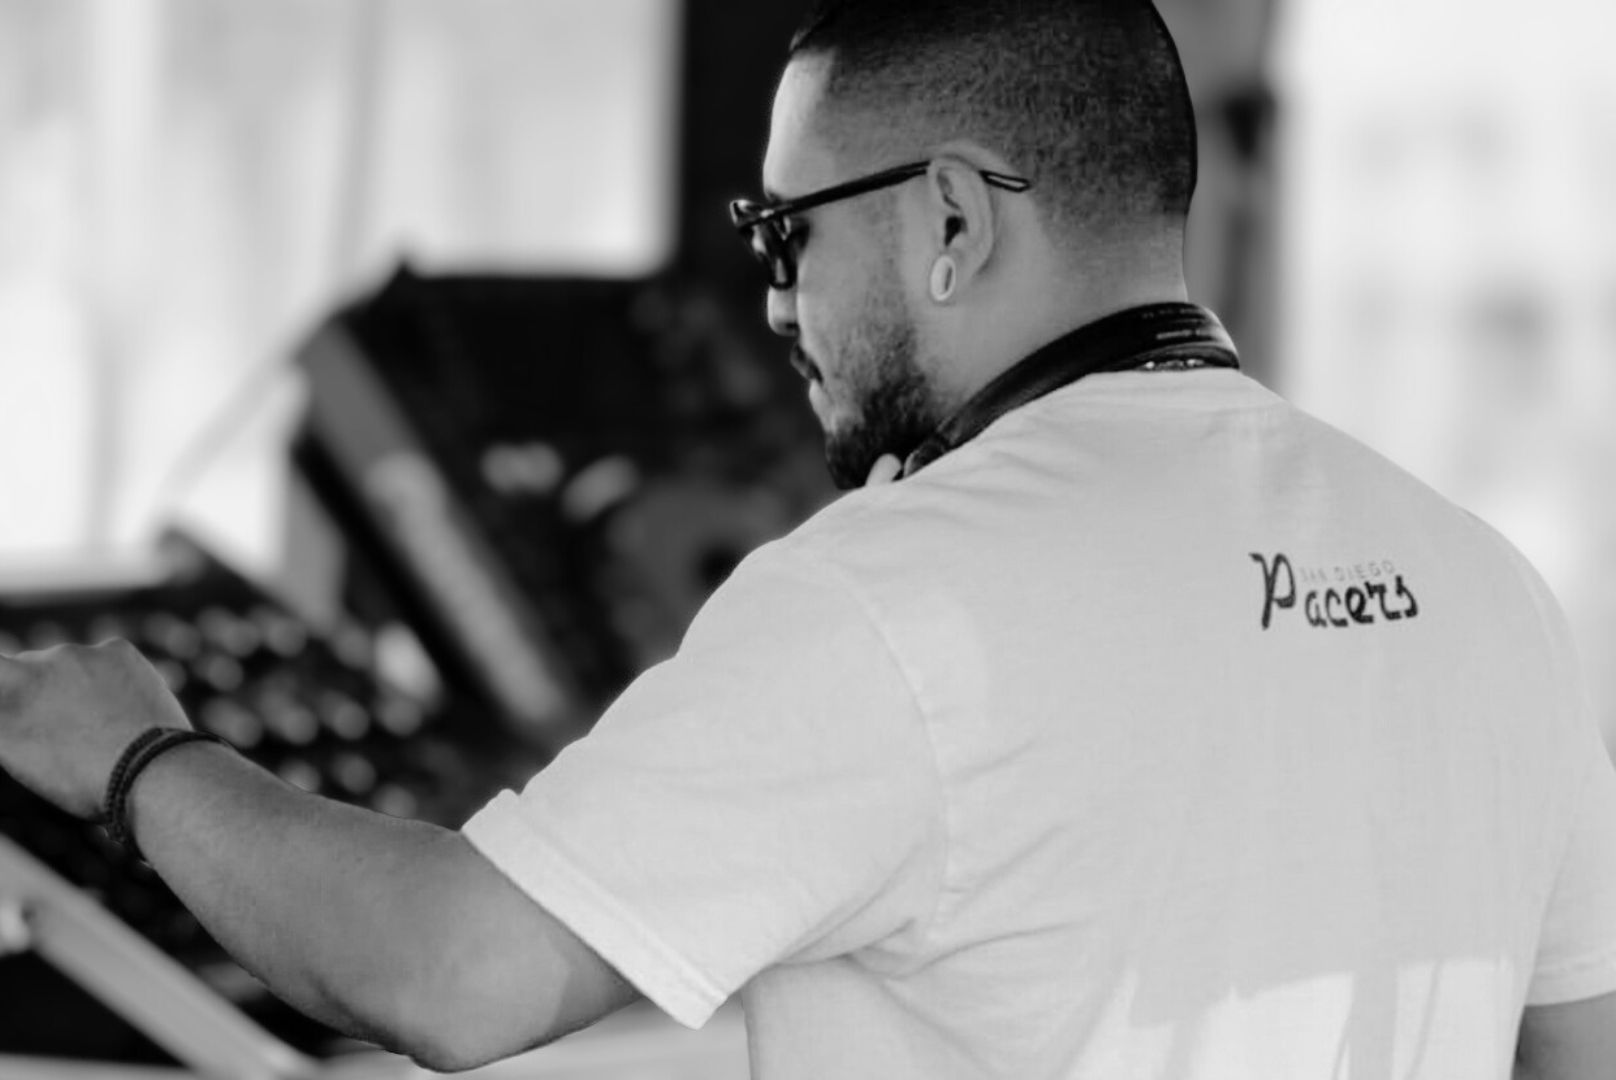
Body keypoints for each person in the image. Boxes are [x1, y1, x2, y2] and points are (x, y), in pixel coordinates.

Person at [2, 1, 1615, 1076]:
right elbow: (1574, 1049)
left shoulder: (894, 599)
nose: (775, 304)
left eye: (786, 233)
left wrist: (137, 758)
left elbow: (443, 975)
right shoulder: (1486, 583)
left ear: (953, 218)